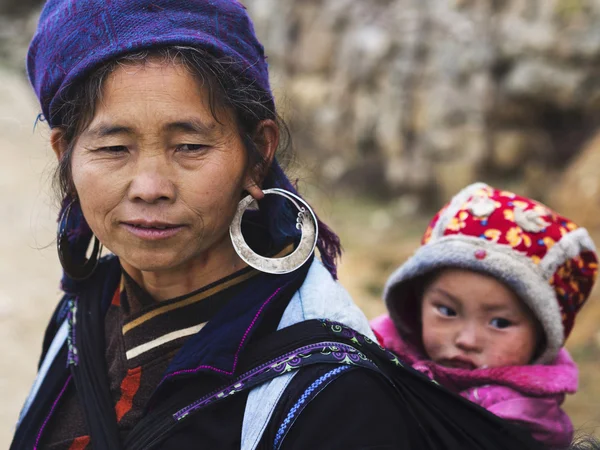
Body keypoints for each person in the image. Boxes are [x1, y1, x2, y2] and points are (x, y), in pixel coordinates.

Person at [10, 1, 549, 449]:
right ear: (66, 154)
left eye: (190, 146)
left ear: (257, 154)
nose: (150, 185)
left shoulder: (330, 391)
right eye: (113, 147)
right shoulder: (84, 311)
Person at [372, 182, 598, 449]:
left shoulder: (520, 423)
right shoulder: (371, 352)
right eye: (447, 311)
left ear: (542, 337)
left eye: (499, 322)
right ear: (415, 303)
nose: (467, 339)